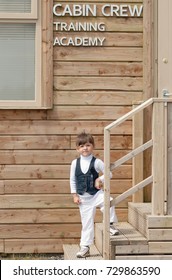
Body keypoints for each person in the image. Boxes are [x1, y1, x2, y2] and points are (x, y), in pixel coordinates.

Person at [70, 131, 119, 258]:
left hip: (96, 194)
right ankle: (85, 247)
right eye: (81, 146)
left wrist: (99, 179)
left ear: (92, 146)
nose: (84, 148)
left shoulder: (96, 162)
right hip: (83, 199)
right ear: (77, 148)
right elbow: (72, 180)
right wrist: (74, 195)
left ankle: (110, 224)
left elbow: (109, 174)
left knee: (108, 200)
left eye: (87, 145)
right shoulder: (75, 163)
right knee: (86, 223)